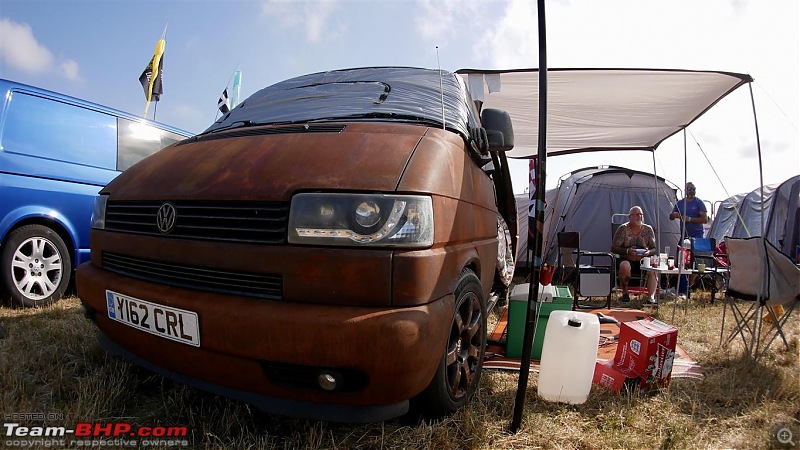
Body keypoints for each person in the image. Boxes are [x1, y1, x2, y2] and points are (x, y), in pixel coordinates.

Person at [611, 206, 659, 304]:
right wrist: (627, 251)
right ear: (630, 217)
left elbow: (654, 248)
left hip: (643, 260)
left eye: (640, 214)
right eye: (636, 215)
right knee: (625, 265)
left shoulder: (648, 229)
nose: (639, 217)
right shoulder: (623, 229)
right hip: (627, 259)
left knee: (654, 269)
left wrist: (648, 252)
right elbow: (613, 248)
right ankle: (625, 292)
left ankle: (651, 297)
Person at [670, 182, 708, 287]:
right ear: (685, 190)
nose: (691, 191)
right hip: (684, 237)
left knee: (695, 262)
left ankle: (688, 287)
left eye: (693, 189)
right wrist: (674, 215)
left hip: (697, 237)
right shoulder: (680, 203)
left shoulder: (699, 203)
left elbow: (705, 219)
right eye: (689, 189)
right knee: (681, 261)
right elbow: (671, 216)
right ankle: (681, 286)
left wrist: (690, 219)